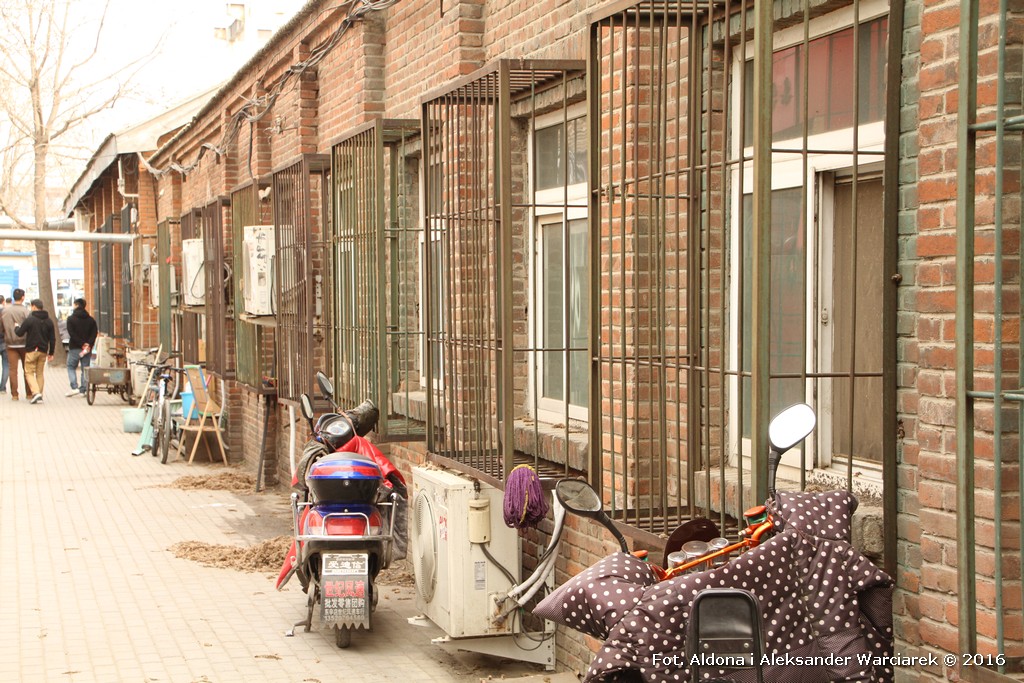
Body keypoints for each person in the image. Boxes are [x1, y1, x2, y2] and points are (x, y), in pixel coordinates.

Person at [14, 299, 56, 404]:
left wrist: (16, 327)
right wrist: (51, 353)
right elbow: (52, 338)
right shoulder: (49, 321)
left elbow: (19, 333)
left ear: (33, 307)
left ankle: (36, 393)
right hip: (43, 350)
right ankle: (39, 395)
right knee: (40, 373)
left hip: (31, 350)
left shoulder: (30, 320)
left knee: (28, 372)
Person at [1, 289, 30, 400]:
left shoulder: (5, 311)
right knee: (27, 369)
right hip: (24, 344)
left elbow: (2, 327)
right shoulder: (26, 311)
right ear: (23, 297)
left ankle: (14, 394)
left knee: (12, 370)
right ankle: (29, 393)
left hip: (10, 343)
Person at [65, 298, 97, 397]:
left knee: (71, 366)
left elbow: (72, 334)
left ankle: (74, 387)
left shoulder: (71, 319)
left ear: (76, 305)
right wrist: (88, 344)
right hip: (87, 349)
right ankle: (83, 389)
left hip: (75, 347)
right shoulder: (91, 320)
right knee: (85, 368)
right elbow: (94, 333)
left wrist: (81, 343)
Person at [0, 297, 8, 394]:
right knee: (6, 365)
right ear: (3, 302)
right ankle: (2, 388)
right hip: (4, 342)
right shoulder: (6, 312)